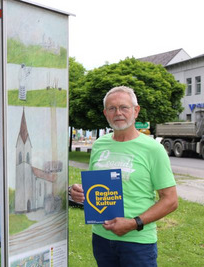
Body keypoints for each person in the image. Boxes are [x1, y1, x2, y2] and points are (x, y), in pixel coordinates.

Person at [69, 86, 178, 267]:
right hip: (102, 238)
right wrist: (80, 192)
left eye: (124, 107)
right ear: (105, 113)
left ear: (136, 111)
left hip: (138, 242)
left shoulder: (153, 149)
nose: (118, 113)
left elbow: (171, 200)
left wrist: (133, 223)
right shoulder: (99, 145)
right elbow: (97, 187)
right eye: (112, 108)